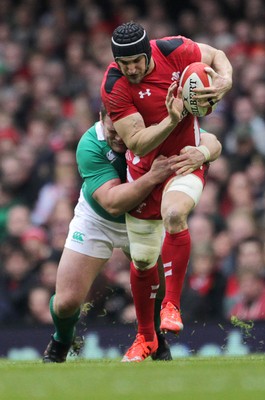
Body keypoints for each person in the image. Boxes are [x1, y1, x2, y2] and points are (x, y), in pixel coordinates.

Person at [42, 106, 221, 363]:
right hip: (98, 220)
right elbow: (113, 203)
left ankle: (156, 340)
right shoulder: (90, 144)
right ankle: (62, 338)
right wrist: (152, 177)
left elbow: (212, 142)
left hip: (145, 218)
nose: (117, 138)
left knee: (158, 290)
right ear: (100, 119)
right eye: (111, 131)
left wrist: (201, 153)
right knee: (66, 302)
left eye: (121, 132)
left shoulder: (148, 130)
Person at [101, 21, 231, 362]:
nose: (130, 69)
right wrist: (172, 119)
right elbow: (138, 143)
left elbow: (217, 56)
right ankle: (146, 338)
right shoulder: (114, 83)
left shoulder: (173, 49)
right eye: (123, 63)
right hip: (145, 171)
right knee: (143, 260)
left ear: (148, 53)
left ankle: (171, 306)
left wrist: (225, 81)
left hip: (184, 160)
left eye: (136, 62)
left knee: (175, 214)